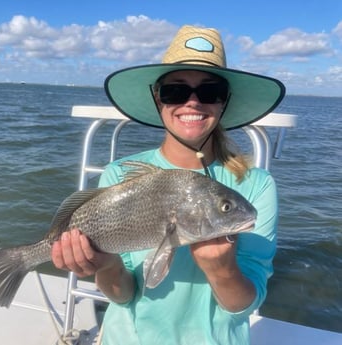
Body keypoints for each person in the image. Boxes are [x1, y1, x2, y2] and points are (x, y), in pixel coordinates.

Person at [51, 25, 285, 344]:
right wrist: (105, 264)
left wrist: (222, 269)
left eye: (209, 91)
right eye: (175, 91)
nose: (192, 103)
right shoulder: (118, 174)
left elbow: (243, 307)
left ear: (223, 102)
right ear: (157, 98)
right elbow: (123, 296)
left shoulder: (256, 184)